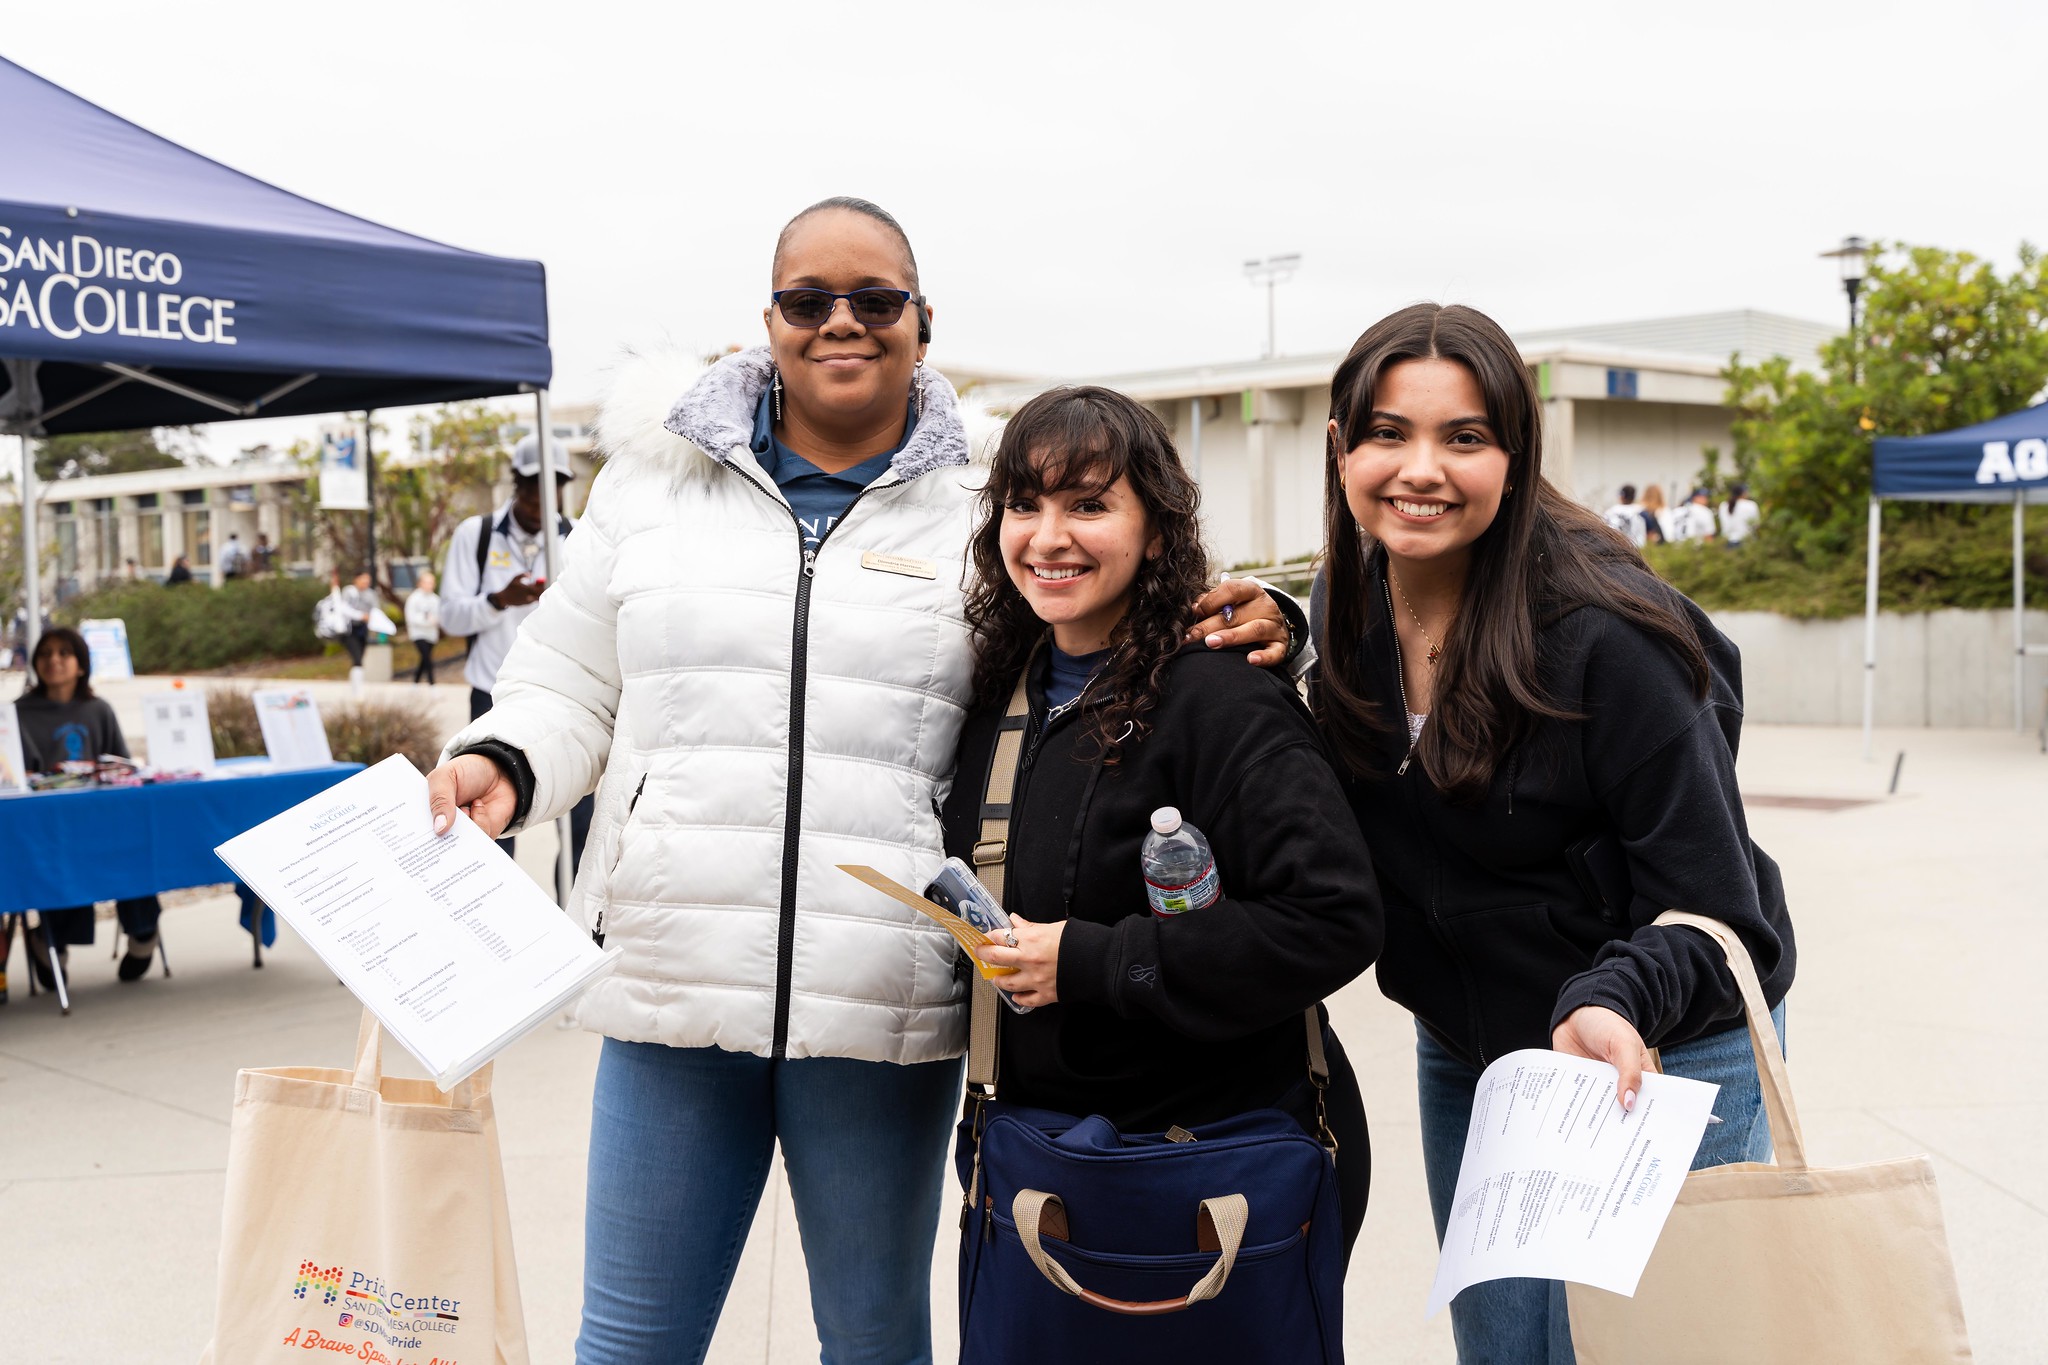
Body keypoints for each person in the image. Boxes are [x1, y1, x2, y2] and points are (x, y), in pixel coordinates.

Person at [424, 197, 1289, 1365]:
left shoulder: (995, 489)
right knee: (629, 1342)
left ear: (921, 323)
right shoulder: (650, 484)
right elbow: (569, 679)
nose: (842, 322)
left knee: (875, 1340)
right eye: (807, 300)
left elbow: (1125, 600)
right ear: (766, 322)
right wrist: (503, 761)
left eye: (875, 300)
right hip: (671, 975)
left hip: (879, 992)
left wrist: (1271, 614)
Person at [1311, 303, 1795, 1363]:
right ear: (1340, 449)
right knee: (1505, 1351)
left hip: (1656, 1050)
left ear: (1515, 456)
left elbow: (1721, 909)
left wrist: (1610, 995)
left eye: (1464, 437)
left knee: (1641, 1352)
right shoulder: (1339, 624)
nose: (1420, 468)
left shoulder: (1605, 638)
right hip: (1478, 1048)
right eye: (1387, 433)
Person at [948, 386, 1381, 1262]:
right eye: (1023, 504)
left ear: (1157, 528)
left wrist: (1091, 960)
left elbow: (1334, 918)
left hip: (1215, 1184)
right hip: (1043, 1179)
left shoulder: (1223, 697)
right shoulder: (999, 693)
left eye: (1089, 503)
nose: (1048, 535)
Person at [434, 433, 593, 867]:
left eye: (553, 485)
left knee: (582, 824)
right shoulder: (477, 535)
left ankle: (571, 925)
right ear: (515, 483)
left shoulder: (578, 538)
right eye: (532, 484)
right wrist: (497, 600)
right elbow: (449, 617)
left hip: (566, 697)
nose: (542, 497)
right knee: (491, 821)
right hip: (492, 694)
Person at [11, 626, 167, 986]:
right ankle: (50, 941)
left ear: (81, 665)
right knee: (62, 857)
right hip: (47, 826)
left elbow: (121, 768)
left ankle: (143, 933)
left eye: (64, 654)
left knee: (134, 847)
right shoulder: (17, 713)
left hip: (101, 819)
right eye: (46, 654)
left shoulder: (99, 710)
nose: (54, 661)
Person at [405, 571, 441, 685]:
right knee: (427, 658)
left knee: (424, 660)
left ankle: (415, 683)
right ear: (420, 583)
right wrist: (427, 621)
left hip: (431, 634)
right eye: (426, 582)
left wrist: (434, 621)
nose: (429, 585)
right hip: (418, 633)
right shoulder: (413, 598)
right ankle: (432, 684)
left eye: (431, 583)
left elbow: (440, 616)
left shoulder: (435, 599)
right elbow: (411, 617)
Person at [1601, 483, 1648, 548]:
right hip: (1636, 548)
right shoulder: (1641, 511)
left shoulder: (1610, 512)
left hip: (1613, 547)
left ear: (1622, 496)